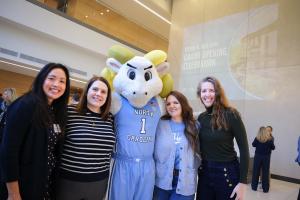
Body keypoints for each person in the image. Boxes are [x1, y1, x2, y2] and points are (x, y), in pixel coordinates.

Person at [0, 63, 70, 200]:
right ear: (42, 79)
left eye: (62, 81)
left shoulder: (54, 110)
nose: (57, 84)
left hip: (43, 183)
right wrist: (13, 193)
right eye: (51, 78)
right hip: (22, 186)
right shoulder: (26, 104)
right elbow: (8, 151)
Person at [56, 76, 116, 200]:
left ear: (107, 97)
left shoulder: (109, 118)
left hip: (99, 182)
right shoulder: (69, 112)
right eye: (95, 89)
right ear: (87, 91)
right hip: (69, 180)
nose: (98, 94)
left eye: (103, 92)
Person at [196, 76, 250, 200]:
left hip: (227, 174)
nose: (207, 94)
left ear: (217, 93)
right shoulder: (201, 118)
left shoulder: (231, 114)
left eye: (211, 90)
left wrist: (242, 183)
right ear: (200, 94)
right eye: (204, 91)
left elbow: (244, 149)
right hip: (205, 174)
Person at [153, 91, 200, 200]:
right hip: (161, 181)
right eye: (168, 104)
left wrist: (192, 168)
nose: (172, 106)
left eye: (176, 102)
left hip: (185, 182)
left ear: (182, 104)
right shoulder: (159, 124)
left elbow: (199, 153)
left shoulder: (195, 126)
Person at [251, 126, 275, 193]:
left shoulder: (257, 138)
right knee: (265, 172)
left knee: (256, 172)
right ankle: (265, 189)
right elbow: (273, 147)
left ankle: (254, 187)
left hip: (258, 157)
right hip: (266, 158)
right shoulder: (269, 139)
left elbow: (253, 144)